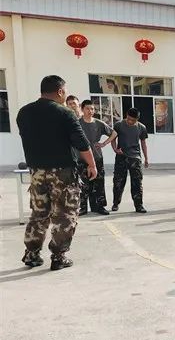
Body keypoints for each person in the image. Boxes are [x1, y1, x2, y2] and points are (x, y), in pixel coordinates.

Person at [17, 75, 97, 271]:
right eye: (65, 91)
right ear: (60, 91)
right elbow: (82, 143)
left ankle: (32, 254)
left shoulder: (24, 112)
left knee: (39, 214)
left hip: (36, 172)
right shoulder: (65, 113)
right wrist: (92, 165)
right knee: (66, 215)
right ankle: (59, 256)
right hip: (63, 173)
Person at [78, 99, 116, 216]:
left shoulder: (99, 123)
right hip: (82, 158)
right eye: (87, 109)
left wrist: (104, 143)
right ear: (82, 109)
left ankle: (100, 206)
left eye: (92, 109)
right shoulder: (77, 123)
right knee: (83, 184)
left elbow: (114, 133)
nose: (90, 111)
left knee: (99, 183)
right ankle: (82, 207)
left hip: (97, 157)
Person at [112, 107, 149, 213]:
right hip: (121, 157)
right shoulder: (119, 125)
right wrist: (115, 149)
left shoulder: (142, 127)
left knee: (137, 183)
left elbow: (143, 143)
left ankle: (139, 205)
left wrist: (146, 158)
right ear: (126, 116)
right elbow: (113, 138)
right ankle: (115, 203)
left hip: (135, 158)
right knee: (118, 182)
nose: (130, 121)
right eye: (128, 119)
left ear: (137, 119)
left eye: (133, 120)